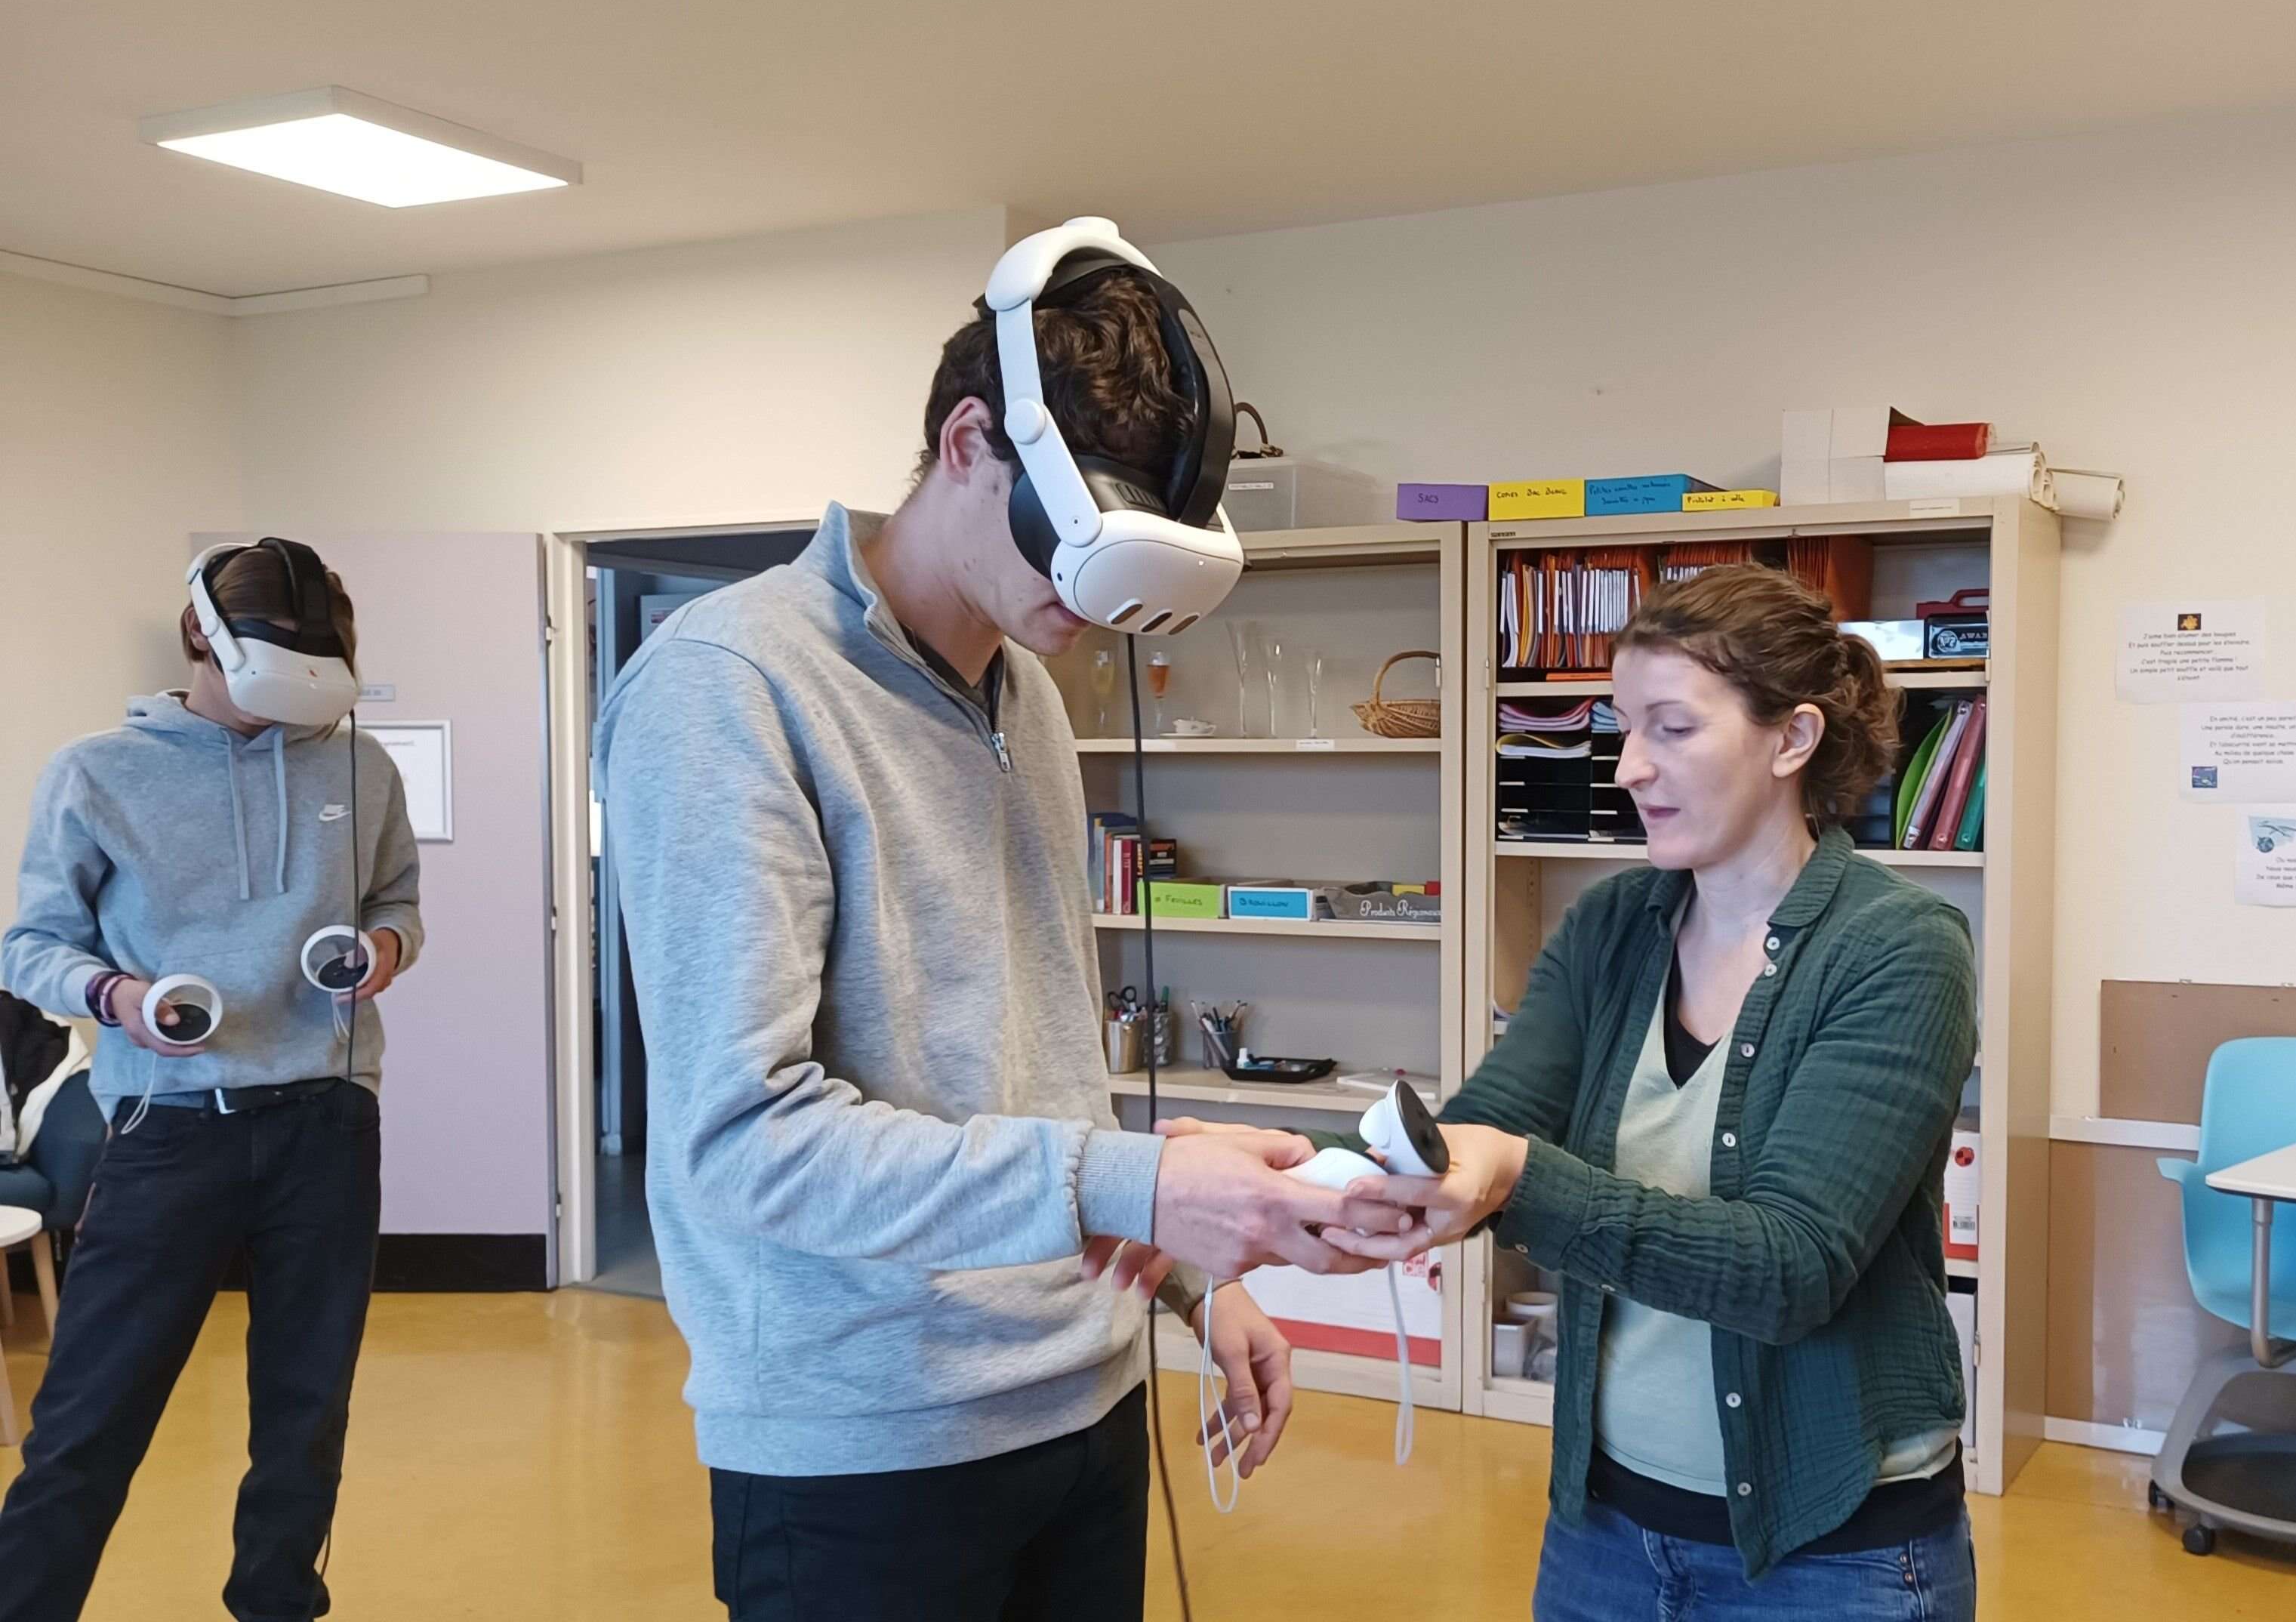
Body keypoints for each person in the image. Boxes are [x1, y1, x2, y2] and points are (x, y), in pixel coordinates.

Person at [595, 260, 1392, 1621]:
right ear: (972, 444)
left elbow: (1032, 1067)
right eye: (1077, 554)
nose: (1096, 613)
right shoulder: (726, 688)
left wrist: (1188, 1276)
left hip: (1081, 1396)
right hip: (867, 1445)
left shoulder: (1024, 689)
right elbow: (742, 1141)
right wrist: (1131, 1184)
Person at [1332, 564, 1980, 1620]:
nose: (1628, 767)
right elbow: (1492, 1122)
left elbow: (1790, 1269)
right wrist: (1356, 1181)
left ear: (1791, 739)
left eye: (1671, 729)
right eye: (1621, 727)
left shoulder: (1898, 951)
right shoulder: (1611, 926)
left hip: (1831, 1552)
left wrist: (1515, 1180)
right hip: (1606, 1531)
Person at [0, 541, 423, 1622]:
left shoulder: (356, 765)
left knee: (305, 1411)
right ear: (204, 637)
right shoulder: (97, 772)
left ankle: (276, 1604)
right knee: (88, 1421)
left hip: (326, 1122)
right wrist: (118, 1000)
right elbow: (31, 947)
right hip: (167, 1125)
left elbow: (399, 903)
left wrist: (384, 949)